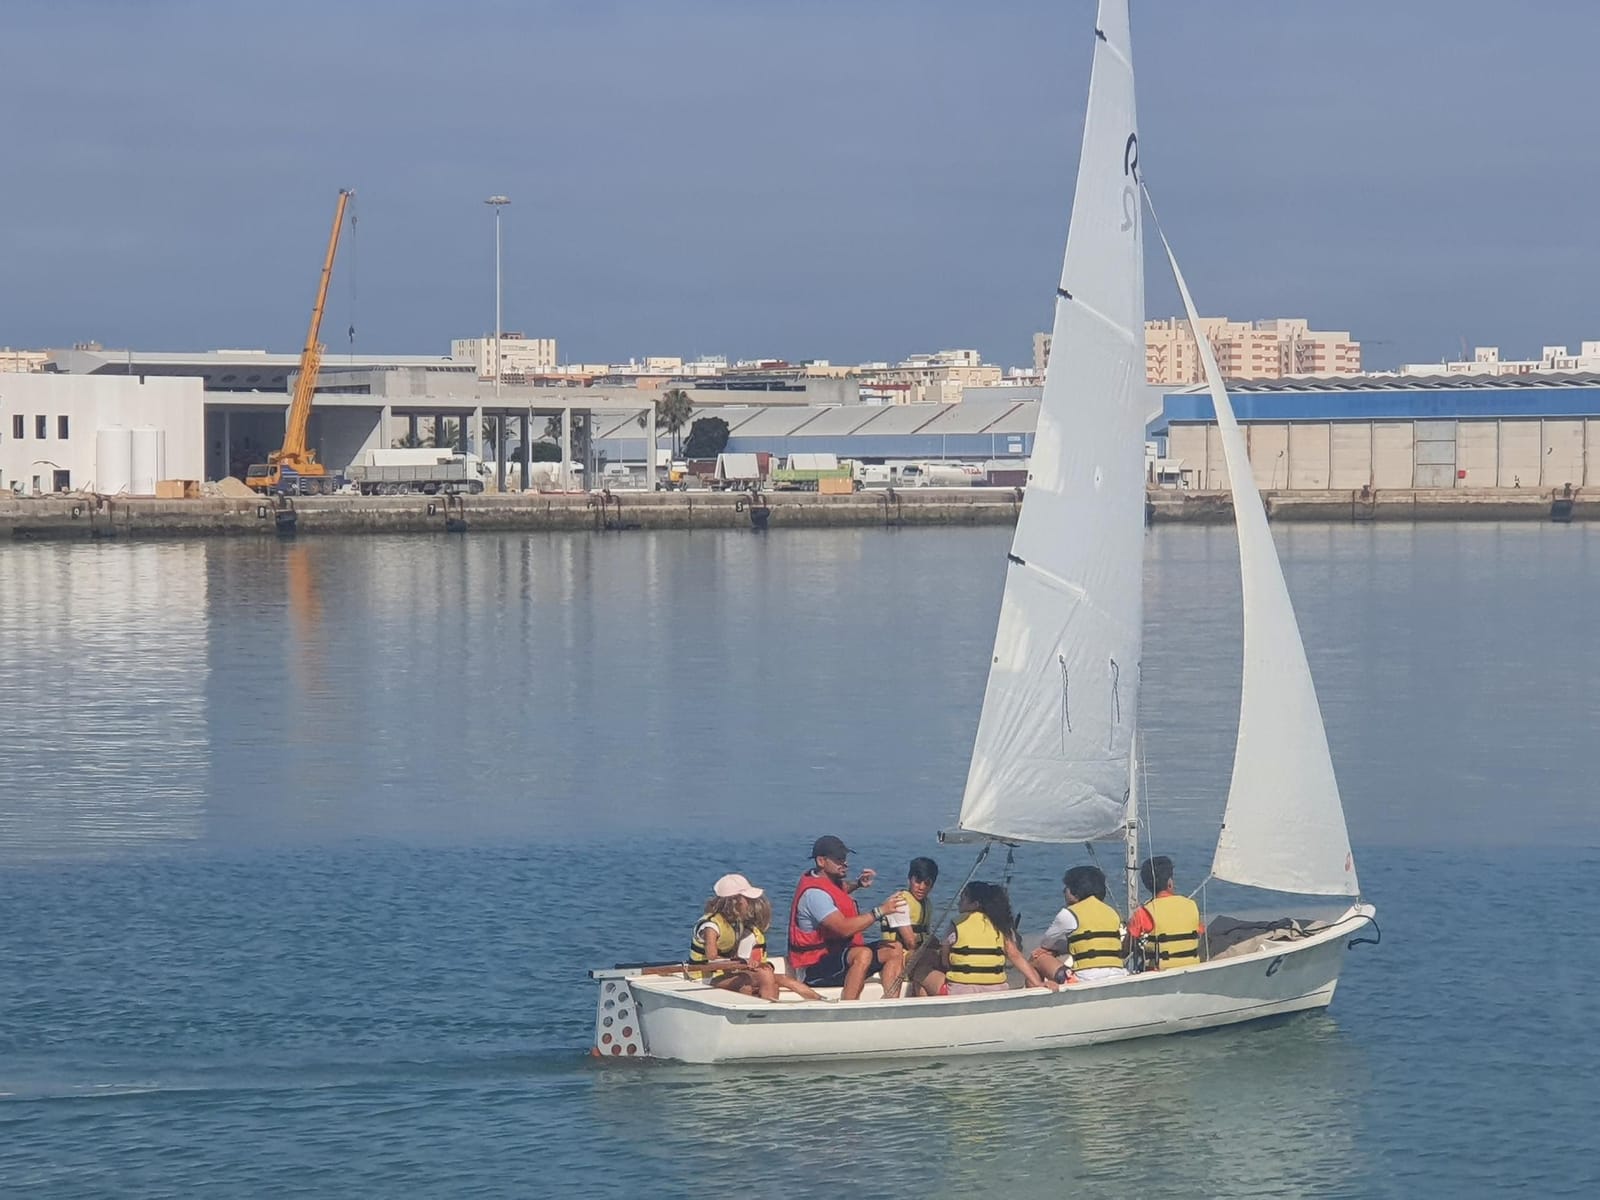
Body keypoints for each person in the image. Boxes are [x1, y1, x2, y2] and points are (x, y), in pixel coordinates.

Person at [787, 835, 907, 1000]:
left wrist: (858, 884)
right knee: (862, 954)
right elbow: (843, 929)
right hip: (814, 968)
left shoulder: (826, 880)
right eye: (838, 859)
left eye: (844, 858)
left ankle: (891, 1003)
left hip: (836, 955)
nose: (845, 863)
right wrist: (880, 911)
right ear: (821, 861)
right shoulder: (814, 895)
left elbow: (838, 891)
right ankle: (848, 1006)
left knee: (894, 949)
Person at [918, 881, 1056, 996]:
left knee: (920, 973)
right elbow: (1016, 956)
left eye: (963, 898)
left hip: (961, 991)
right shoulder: (1000, 924)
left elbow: (945, 961)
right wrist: (1038, 983)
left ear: (975, 904)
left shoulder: (956, 923)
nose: (959, 903)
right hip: (997, 989)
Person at [1029, 864, 1128, 984]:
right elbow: (1093, 941)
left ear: (1075, 892)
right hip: (1118, 974)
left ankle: (1036, 999)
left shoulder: (1069, 914)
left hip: (1085, 979)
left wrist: (1054, 951)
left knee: (1037, 958)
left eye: (1067, 887)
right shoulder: (1112, 912)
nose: (1064, 891)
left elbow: (1046, 943)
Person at [689, 873, 779, 1001]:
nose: (749, 904)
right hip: (703, 977)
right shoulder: (711, 926)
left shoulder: (736, 923)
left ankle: (768, 1008)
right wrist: (742, 962)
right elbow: (711, 958)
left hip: (724, 974)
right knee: (746, 982)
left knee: (766, 975)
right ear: (735, 902)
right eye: (746, 900)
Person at [739, 895, 824, 1002]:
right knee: (783, 979)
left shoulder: (755, 934)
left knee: (776, 985)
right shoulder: (748, 936)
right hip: (749, 975)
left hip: (757, 974)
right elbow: (742, 962)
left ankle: (816, 998)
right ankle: (816, 998)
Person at [1127, 855, 1204, 971]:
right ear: (1170, 883)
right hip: (1192, 969)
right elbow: (1200, 933)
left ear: (1147, 885)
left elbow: (1128, 946)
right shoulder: (1191, 905)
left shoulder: (1144, 912)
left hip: (1158, 974)